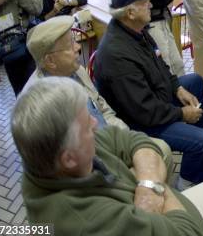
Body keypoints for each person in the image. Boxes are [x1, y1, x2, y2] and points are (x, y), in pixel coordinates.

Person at [15, 77, 203, 236]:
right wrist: (159, 187)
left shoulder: (59, 155)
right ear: (67, 158)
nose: (95, 123)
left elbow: (132, 140)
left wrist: (149, 184)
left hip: (169, 219)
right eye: (86, 125)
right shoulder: (85, 225)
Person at [94, 0, 203, 187]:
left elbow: (161, 64)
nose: (151, 4)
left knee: (194, 81)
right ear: (130, 12)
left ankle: (198, 131)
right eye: (144, 2)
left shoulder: (136, 30)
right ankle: (187, 190)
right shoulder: (117, 55)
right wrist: (182, 114)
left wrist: (177, 88)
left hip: (154, 100)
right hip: (140, 122)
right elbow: (144, 110)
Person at [24, 15, 174, 173]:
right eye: (69, 45)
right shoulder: (40, 104)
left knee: (162, 150)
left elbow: (103, 109)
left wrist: (128, 139)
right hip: (90, 164)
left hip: (109, 140)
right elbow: (64, 164)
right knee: (150, 170)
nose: (77, 47)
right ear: (50, 61)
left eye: (75, 40)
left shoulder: (77, 71)